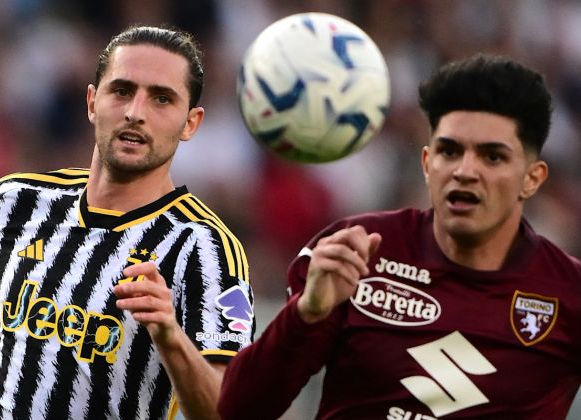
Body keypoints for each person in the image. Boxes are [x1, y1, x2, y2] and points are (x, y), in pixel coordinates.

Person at [217, 53, 581, 419]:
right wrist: (305, 314)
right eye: (450, 151)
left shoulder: (569, 293)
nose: (465, 171)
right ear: (427, 163)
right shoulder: (354, 251)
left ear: (532, 179)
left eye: (492, 157)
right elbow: (237, 410)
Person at [0, 24, 254, 420]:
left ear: (190, 123)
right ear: (93, 101)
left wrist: (170, 335)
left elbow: (227, 411)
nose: (135, 112)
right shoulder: (16, 202)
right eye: (122, 90)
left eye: (162, 99)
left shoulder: (206, 249)